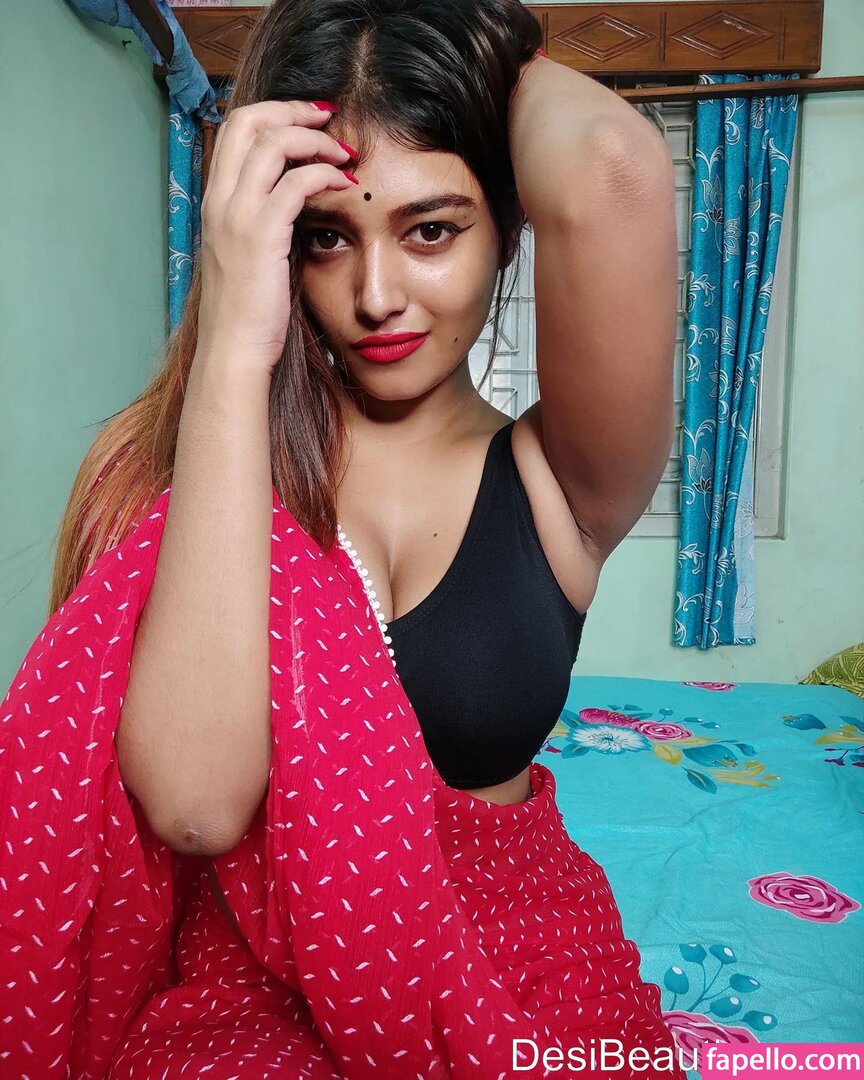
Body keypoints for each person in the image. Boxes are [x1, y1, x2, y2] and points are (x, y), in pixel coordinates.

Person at [0, 1, 686, 1076]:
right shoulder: (191, 474)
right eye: (327, 236)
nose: (376, 296)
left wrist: (481, 45)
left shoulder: (562, 478)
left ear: (507, 227)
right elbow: (195, 808)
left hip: (521, 956)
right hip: (257, 979)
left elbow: (611, 167)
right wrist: (234, 345)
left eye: (432, 230)